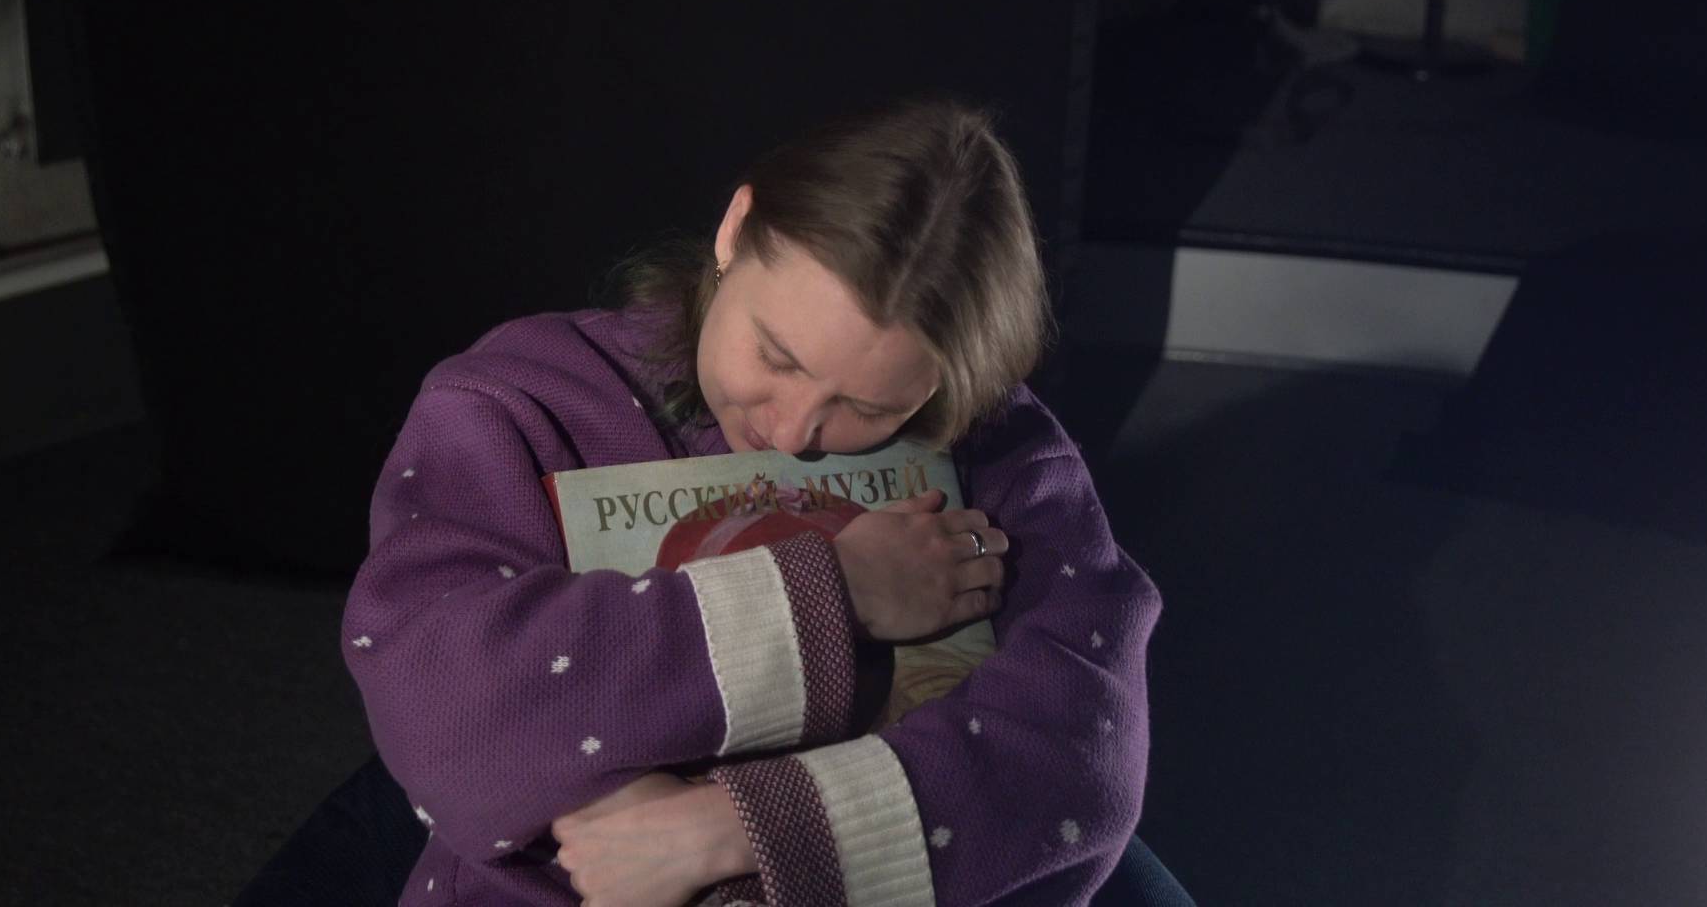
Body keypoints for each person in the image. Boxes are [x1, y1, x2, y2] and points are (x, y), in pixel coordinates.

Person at [340, 97, 1171, 906]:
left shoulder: (1000, 447)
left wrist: (731, 831)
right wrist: (838, 594)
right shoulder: (519, 397)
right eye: (777, 356)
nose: (793, 430)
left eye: (869, 407)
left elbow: (1084, 749)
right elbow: (434, 694)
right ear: (736, 228)